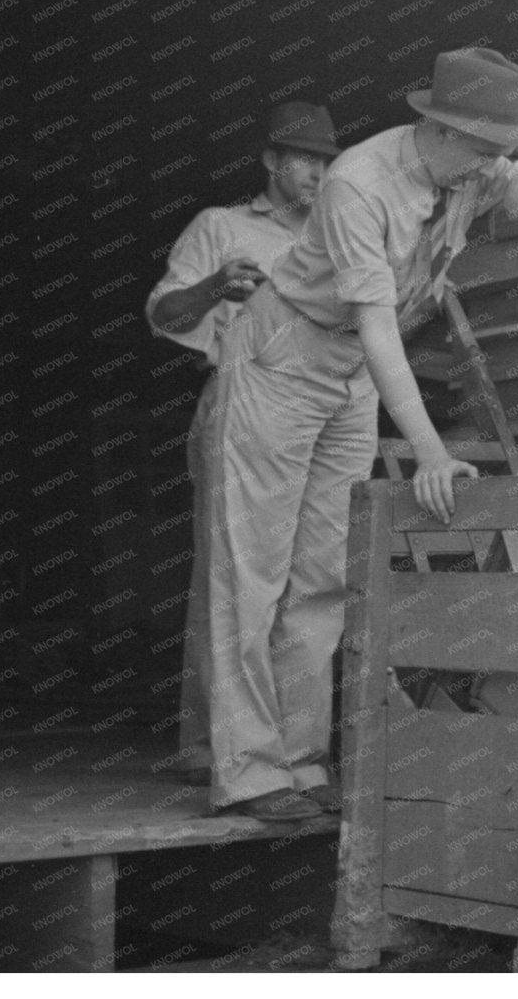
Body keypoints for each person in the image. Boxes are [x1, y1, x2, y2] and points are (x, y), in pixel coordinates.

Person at [204, 47, 518, 820]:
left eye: (501, 148)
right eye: (482, 144)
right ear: (436, 128)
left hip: (347, 373)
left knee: (324, 572)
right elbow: (375, 325)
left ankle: (301, 763)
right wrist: (429, 450)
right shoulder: (358, 184)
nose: (494, 162)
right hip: (286, 354)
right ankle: (249, 771)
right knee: (254, 568)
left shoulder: (474, 169)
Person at [143, 101, 341, 789]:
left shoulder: (339, 231)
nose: (317, 171)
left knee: (316, 579)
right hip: (243, 399)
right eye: (304, 158)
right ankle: (217, 746)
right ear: (270, 160)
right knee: (238, 577)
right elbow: (164, 314)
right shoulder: (222, 227)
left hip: (324, 409)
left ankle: (296, 755)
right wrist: (211, 286)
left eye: (326, 159)